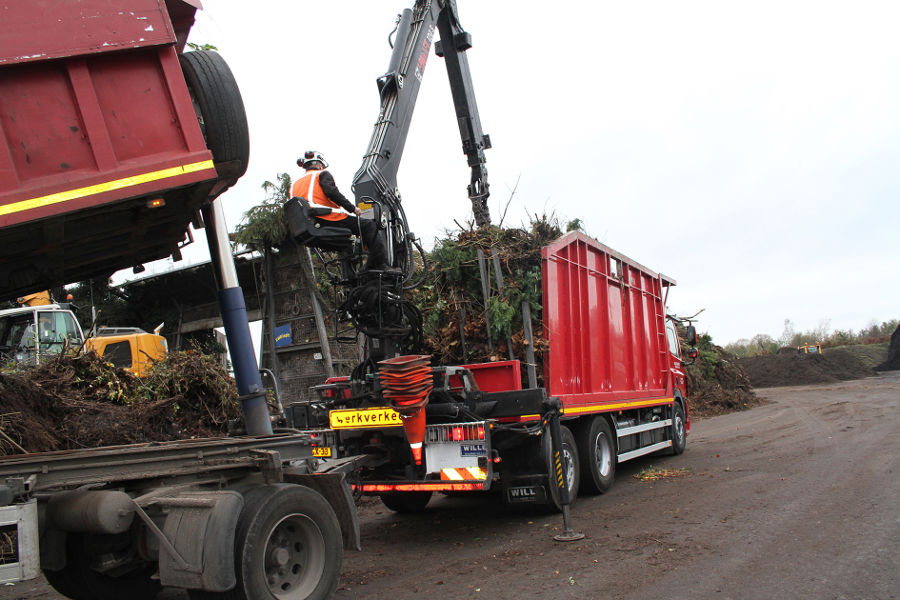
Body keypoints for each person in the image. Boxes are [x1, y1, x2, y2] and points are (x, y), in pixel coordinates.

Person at [292, 150, 396, 272]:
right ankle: (380, 265)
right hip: (326, 217)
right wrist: (352, 208)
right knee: (369, 226)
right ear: (320, 165)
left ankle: (352, 275)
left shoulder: (295, 184)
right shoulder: (321, 174)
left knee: (347, 243)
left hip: (307, 225)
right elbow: (332, 193)